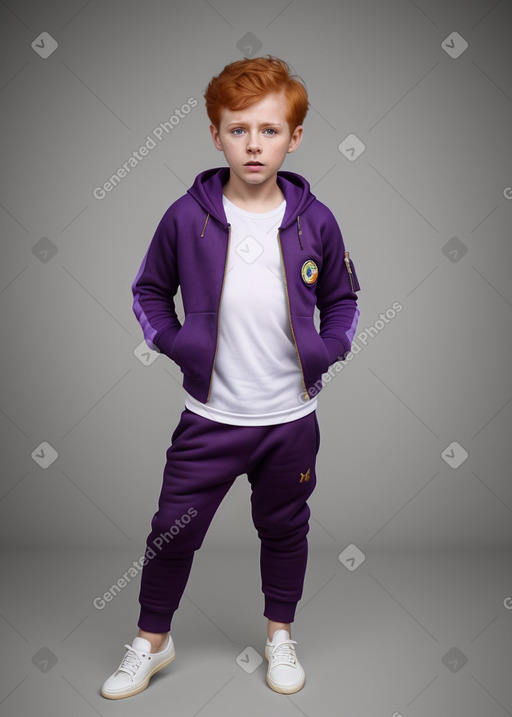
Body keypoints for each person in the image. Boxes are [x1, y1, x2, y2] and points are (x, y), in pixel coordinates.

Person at [101, 55, 360, 700]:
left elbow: (345, 298)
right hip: (211, 419)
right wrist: (176, 341)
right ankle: (151, 644)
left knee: (286, 528)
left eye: (270, 131)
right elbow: (148, 291)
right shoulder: (186, 216)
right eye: (238, 129)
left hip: (290, 422)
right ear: (215, 134)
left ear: (294, 138)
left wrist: (328, 350)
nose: (254, 144)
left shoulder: (314, 219)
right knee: (171, 531)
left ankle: (279, 636)